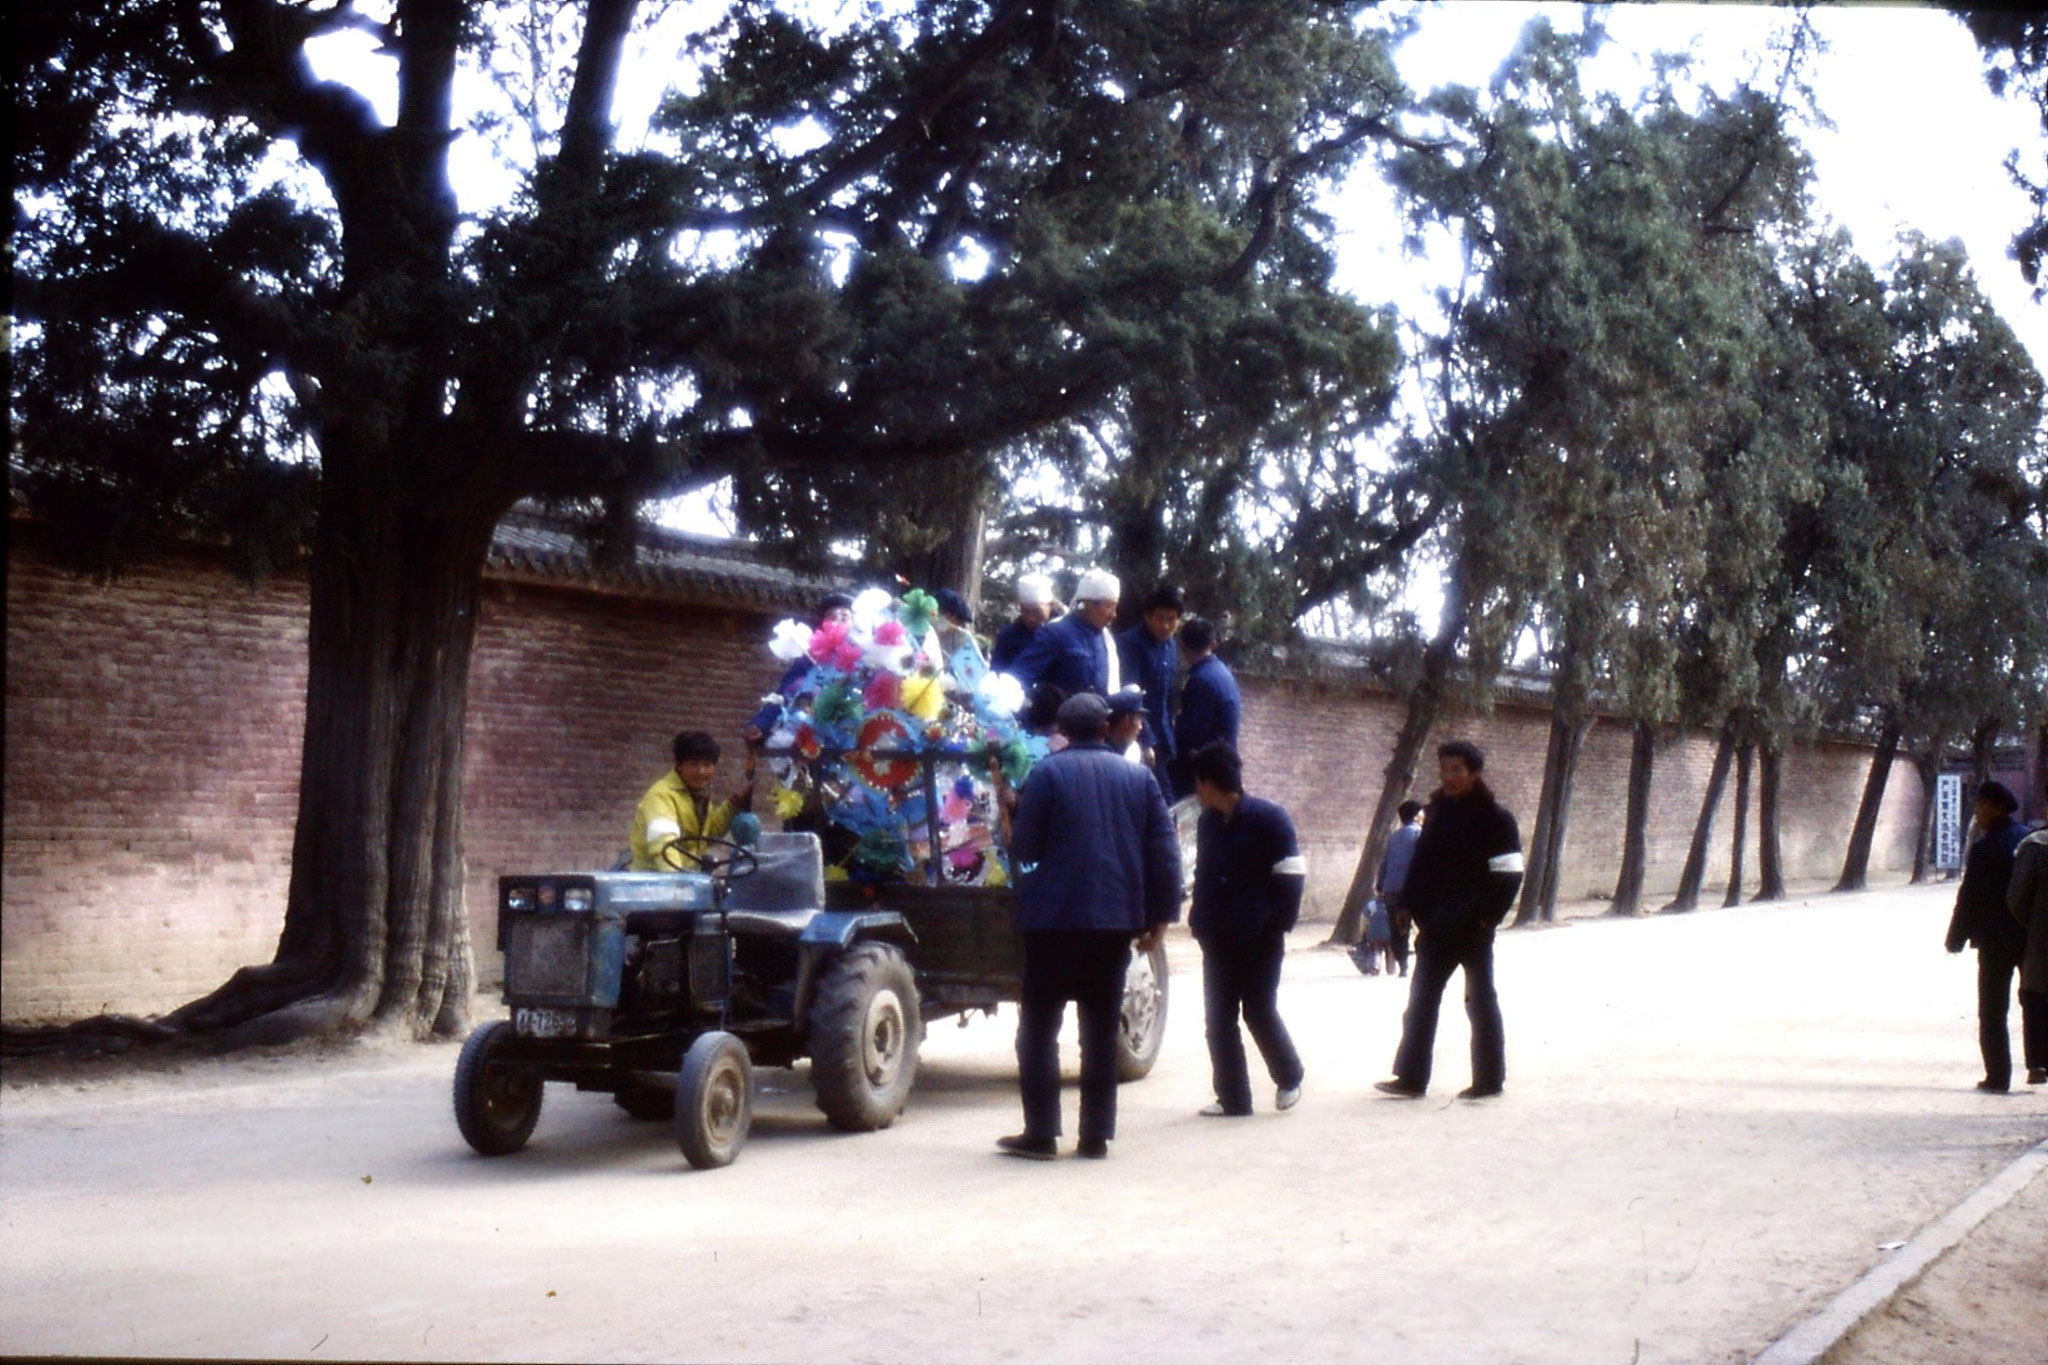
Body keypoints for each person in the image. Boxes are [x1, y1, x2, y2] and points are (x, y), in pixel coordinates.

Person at [999, 692, 1182, 1160]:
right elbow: (1164, 855)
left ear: (1062, 732)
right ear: (1105, 728)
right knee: (1100, 1031)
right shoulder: (1140, 779)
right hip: (1114, 923)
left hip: (1052, 924)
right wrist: (1160, 919)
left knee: (1038, 1029)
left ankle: (1041, 1134)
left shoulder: (1047, 774)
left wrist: (1013, 812)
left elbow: (1024, 851)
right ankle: (1096, 1136)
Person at [1375, 741, 1523, 1100]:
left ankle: (1488, 1081)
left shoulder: (1497, 819)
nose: (1450, 777)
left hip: (1474, 928)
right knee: (1421, 1002)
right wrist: (1407, 904)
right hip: (1437, 926)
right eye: (1444, 770)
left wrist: (1488, 919)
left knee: (1480, 1003)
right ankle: (1411, 1078)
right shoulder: (1436, 814)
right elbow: (1421, 864)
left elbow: (1510, 874)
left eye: (1457, 770)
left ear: (1474, 773)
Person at [1187, 742, 1307, 1117]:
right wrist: (1198, 920)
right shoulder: (1208, 823)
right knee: (1218, 1019)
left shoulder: (1270, 818)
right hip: (1218, 936)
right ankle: (1234, 1098)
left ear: (1210, 783)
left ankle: (1289, 1076)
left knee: (1258, 1010)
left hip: (1261, 937)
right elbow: (1204, 873)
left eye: (1198, 783)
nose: (1196, 791)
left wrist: (1277, 925)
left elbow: (1291, 875)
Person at [1945, 780, 2033, 1093]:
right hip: (2029, 939)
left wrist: (1955, 937)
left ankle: (1998, 1078)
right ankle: (2038, 1065)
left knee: (1993, 1010)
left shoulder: (1984, 849)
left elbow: (1969, 896)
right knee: (2035, 1002)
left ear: (1997, 808)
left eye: (1982, 806)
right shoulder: (2029, 840)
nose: (1977, 812)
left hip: (1995, 941)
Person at [629, 731, 755, 871]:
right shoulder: (661, 797)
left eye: (707, 765)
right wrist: (680, 886)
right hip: (654, 884)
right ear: (679, 765)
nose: (701, 771)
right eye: (693, 764)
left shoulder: (698, 795)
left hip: (689, 879)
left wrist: (733, 805)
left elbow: (708, 834)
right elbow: (664, 846)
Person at [745, 592, 855, 743]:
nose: (837, 622)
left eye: (844, 617)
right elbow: (785, 692)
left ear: (854, 623)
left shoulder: (865, 657)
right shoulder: (809, 658)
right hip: (812, 737)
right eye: (831, 617)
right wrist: (761, 724)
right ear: (823, 623)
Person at [1006, 568, 1121, 699]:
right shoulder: (1055, 633)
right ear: (1089, 604)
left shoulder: (1105, 640)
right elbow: (1019, 679)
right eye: (1109, 607)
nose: (1114, 614)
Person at [1117, 586, 1182, 791]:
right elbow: (1131, 695)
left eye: (1171, 619)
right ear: (1147, 616)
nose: (1165, 625)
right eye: (1160, 618)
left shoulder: (1171, 646)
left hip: (1164, 735)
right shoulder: (1130, 644)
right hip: (1138, 733)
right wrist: (1145, 742)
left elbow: (1169, 694)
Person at [1170, 616, 1241, 799]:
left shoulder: (1200, 680)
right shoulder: (1223, 674)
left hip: (1206, 773)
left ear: (1182, 645)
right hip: (1225, 766)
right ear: (1213, 644)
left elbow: (1193, 733)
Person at [2007, 774, 2048, 1086]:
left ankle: (2037, 1064)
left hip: (2042, 941)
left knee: (2035, 997)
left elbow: (2017, 899)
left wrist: (2034, 925)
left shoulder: (2036, 846)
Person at [1378, 800, 1426, 978]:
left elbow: (1385, 862)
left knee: (1398, 929)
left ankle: (1403, 966)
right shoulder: (1419, 835)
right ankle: (1423, 961)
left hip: (1392, 890)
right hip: (1414, 890)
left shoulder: (1394, 837)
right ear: (1416, 815)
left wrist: (1380, 884)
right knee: (1425, 925)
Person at [989, 573, 1060, 672]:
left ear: (1050, 606)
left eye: (1037, 611)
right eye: (1025, 611)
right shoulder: (1008, 637)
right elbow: (997, 672)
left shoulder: (1064, 635)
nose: (1031, 618)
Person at [1106, 686, 1150, 767]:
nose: (1140, 727)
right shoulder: (1103, 756)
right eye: (1138, 720)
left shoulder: (1133, 752)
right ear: (1125, 721)